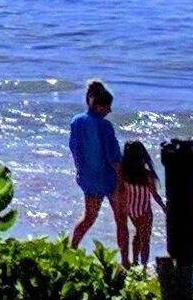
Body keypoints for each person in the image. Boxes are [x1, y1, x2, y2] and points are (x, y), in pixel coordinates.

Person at [67, 81, 122, 246]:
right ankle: (127, 261)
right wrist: (121, 183)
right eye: (107, 107)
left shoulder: (76, 121)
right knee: (121, 220)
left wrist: (79, 172)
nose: (110, 110)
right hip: (109, 179)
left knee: (88, 218)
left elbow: (74, 149)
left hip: (89, 179)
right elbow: (114, 158)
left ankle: (71, 248)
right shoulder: (104, 126)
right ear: (99, 106)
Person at [113, 138, 160, 268]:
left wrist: (120, 207)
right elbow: (154, 195)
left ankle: (134, 261)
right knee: (145, 239)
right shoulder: (147, 175)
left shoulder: (124, 173)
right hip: (144, 209)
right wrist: (164, 207)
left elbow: (120, 190)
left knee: (138, 234)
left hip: (131, 209)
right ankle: (143, 266)